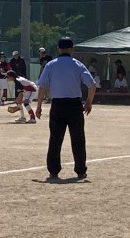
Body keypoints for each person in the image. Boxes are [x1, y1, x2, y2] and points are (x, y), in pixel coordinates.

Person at [36, 36, 96, 181]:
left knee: (55, 139)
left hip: (57, 105)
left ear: (58, 49)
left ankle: (53, 170)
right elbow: (92, 85)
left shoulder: (51, 65)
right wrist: (89, 102)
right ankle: (80, 170)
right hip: (74, 105)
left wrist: (38, 106)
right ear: (71, 49)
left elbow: (42, 87)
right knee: (78, 138)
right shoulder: (78, 65)